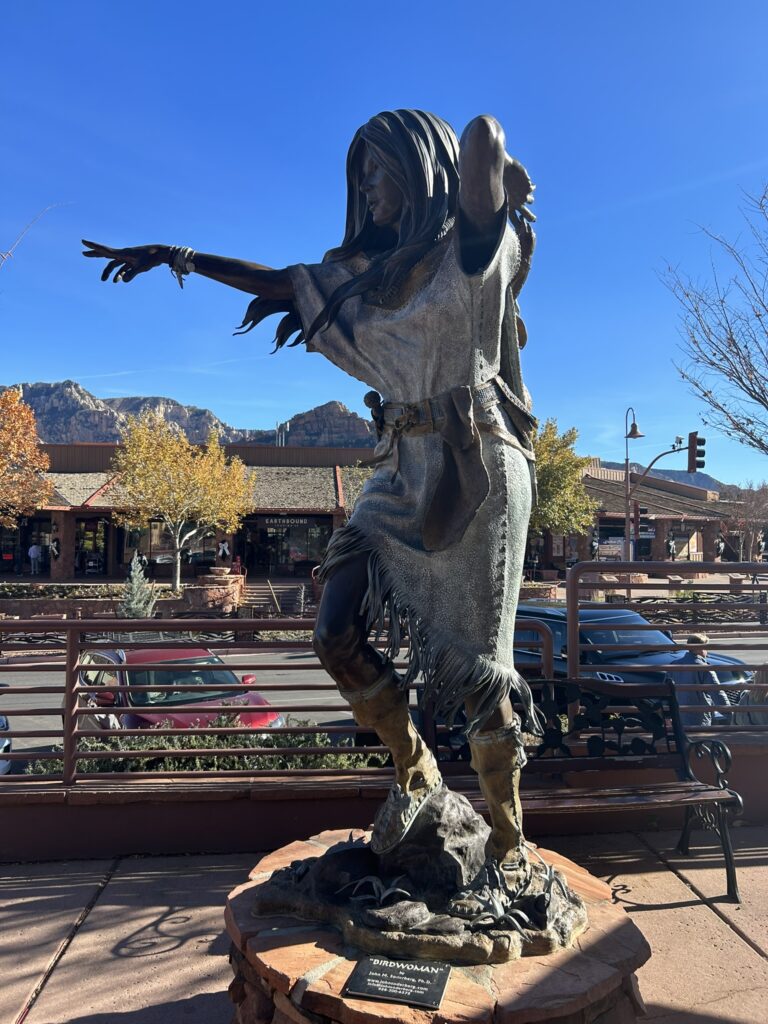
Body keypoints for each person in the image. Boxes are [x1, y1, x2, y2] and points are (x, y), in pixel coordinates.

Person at [82, 110, 539, 906]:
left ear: (420, 166)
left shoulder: (469, 248)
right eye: (357, 173)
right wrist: (176, 256)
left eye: (378, 167)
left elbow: (480, 169)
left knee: (480, 672)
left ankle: (508, 835)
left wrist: (485, 147)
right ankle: (414, 766)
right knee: (333, 629)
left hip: (475, 465)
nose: (365, 186)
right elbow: (283, 281)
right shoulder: (368, 271)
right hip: (398, 463)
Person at [667, 633, 732, 729]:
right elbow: (717, 693)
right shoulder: (704, 668)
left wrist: (667, 715)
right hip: (699, 718)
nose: (707, 652)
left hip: (679, 717)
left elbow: (667, 692)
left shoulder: (673, 665)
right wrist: (730, 714)